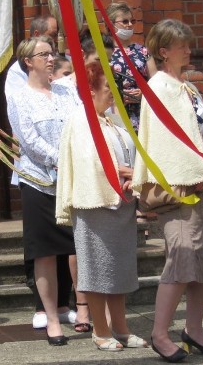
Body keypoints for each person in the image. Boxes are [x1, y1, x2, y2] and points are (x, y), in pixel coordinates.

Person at [132, 19, 203, 362]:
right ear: (163, 51)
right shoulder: (159, 86)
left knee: (202, 263)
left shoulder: (187, 87)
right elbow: (165, 143)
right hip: (180, 188)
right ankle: (158, 333)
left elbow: (202, 132)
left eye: (188, 43)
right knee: (181, 260)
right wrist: (188, 176)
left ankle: (194, 330)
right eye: (181, 45)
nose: (188, 49)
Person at [56, 61, 147, 351]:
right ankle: (101, 331)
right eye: (108, 87)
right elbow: (86, 162)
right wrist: (117, 174)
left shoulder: (111, 120)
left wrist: (133, 177)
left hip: (119, 205)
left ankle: (121, 328)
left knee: (119, 271)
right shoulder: (80, 119)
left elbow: (125, 156)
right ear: (91, 89)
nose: (113, 93)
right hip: (95, 205)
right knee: (96, 273)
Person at [3, 14, 78, 330]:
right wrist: (59, 160)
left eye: (52, 54)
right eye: (44, 55)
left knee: (74, 246)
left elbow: (81, 125)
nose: (51, 59)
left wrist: (76, 160)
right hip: (39, 180)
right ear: (27, 62)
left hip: (71, 179)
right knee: (45, 251)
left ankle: (76, 307)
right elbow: (28, 139)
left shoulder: (66, 92)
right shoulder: (20, 96)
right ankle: (50, 317)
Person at [107, 2, 157, 131]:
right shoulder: (104, 52)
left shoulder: (143, 51)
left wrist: (144, 93)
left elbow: (156, 82)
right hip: (115, 114)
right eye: (124, 21)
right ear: (111, 24)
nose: (129, 25)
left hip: (142, 113)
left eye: (132, 21)